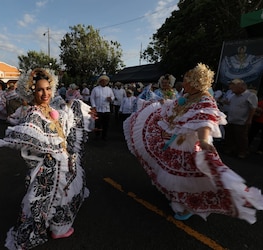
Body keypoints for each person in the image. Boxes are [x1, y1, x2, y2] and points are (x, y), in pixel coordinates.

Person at [123, 63, 263, 223]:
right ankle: (174, 197)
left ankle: (187, 206)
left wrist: (203, 140)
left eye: (187, 81)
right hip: (175, 141)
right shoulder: (188, 96)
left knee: (187, 176)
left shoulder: (205, 99)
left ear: (197, 83)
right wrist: (162, 109)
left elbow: (205, 120)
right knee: (170, 171)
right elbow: (173, 108)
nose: (183, 83)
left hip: (189, 144)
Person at [0, 68, 94, 250]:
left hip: (63, 161)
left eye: (48, 88)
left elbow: (67, 119)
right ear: (32, 91)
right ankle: (53, 229)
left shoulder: (51, 109)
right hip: (48, 167)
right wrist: (8, 140)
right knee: (44, 200)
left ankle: (59, 227)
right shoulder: (33, 113)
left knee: (67, 195)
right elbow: (30, 135)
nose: (45, 93)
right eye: (39, 89)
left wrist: (82, 112)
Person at [223, 78, 258, 159]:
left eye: (233, 88)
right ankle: (229, 149)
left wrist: (249, 119)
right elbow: (231, 105)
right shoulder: (234, 96)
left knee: (241, 138)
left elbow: (253, 108)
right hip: (231, 119)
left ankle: (242, 152)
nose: (231, 90)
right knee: (230, 136)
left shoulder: (250, 95)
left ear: (241, 87)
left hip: (242, 121)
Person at [90, 75, 115, 140]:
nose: (104, 82)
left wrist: (111, 99)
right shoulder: (95, 89)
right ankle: (97, 135)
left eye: (105, 81)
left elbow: (113, 97)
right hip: (98, 109)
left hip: (106, 109)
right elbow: (92, 98)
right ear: (100, 82)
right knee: (98, 123)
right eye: (102, 81)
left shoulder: (109, 89)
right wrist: (94, 106)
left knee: (106, 123)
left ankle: (104, 135)